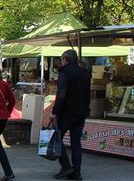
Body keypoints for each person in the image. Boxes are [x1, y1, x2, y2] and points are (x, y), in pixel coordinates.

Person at [50, 50, 90, 181]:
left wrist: (55, 111)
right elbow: (88, 94)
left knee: (57, 139)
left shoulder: (65, 72)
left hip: (67, 112)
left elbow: (61, 93)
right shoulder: (84, 73)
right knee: (76, 143)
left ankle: (66, 166)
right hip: (81, 112)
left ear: (65, 59)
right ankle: (77, 172)